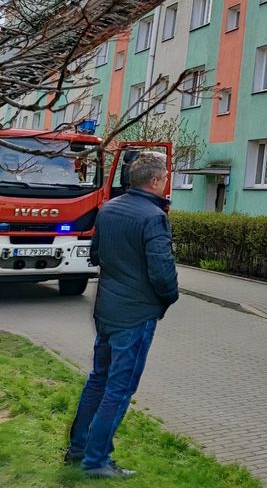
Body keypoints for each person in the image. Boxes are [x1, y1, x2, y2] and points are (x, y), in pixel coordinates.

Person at [65, 151, 179, 479]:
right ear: (156, 181)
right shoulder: (154, 218)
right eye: (165, 177)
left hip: (107, 311)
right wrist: (169, 297)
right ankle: (96, 461)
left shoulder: (109, 208)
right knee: (119, 388)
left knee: (99, 378)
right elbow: (162, 272)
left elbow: (96, 254)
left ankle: (79, 448)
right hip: (136, 316)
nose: (166, 182)